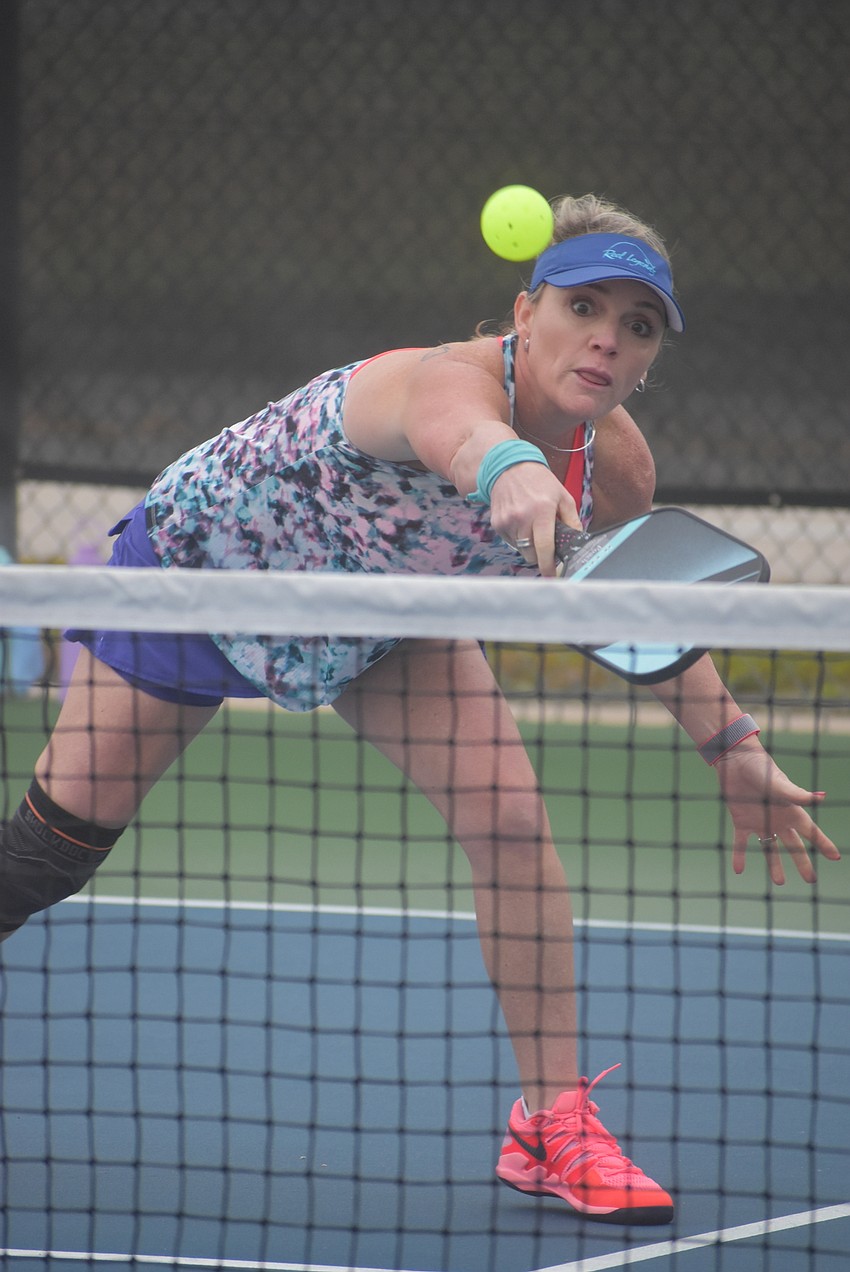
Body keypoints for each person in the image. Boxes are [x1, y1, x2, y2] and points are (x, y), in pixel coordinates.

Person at [0, 194, 839, 1226]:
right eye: (584, 307)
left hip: (384, 617)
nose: (606, 340)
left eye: (637, 326)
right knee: (47, 856)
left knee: (511, 821)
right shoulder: (442, 378)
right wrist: (507, 470)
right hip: (206, 579)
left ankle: (550, 1124)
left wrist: (732, 745)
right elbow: (454, 430)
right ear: (524, 313)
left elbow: (637, 610)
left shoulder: (615, 465)